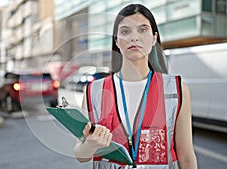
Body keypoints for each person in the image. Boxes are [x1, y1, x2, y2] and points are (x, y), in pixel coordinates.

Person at [74, 4, 198, 169]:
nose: (134, 37)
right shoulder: (94, 91)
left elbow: (187, 158)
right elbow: (81, 155)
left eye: (143, 29)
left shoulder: (176, 89)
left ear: (154, 38)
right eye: (125, 31)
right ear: (116, 41)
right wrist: (91, 144)